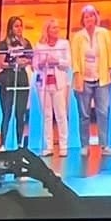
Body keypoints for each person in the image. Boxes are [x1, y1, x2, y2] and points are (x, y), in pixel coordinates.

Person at [72, 3, 111, 152]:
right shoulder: (78, 37)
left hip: (101, 78)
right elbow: (75, 59)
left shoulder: (103, 33)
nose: (89, 19)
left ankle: (104, 145)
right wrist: (77, 77)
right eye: (86, 17)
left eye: (91, 16)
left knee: (103, 112)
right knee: (84, 114)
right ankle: (84, 145)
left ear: (96, 18)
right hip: (84, 79)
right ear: (83, 20)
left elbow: (110, 53)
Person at [34, 17, 73, 156]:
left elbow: (68, 63)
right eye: (54, 28)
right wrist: (42, 62)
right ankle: (49, 146)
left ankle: (63, 146)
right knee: (47, 116)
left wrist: (56, 61)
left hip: (59, 83)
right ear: (47, 30)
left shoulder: (64, 44)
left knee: (61, 114)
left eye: (58, 27)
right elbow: (35, 65)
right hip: (44, 84)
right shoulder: (39, 46)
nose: (57, 30)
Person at [0, 16, 32, 149]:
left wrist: (24, 62)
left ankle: (20, 143)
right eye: (16, 26)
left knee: (20, 113)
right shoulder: (3, 44)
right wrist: (14, 63)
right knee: (7, 112)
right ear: (10, 28)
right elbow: (1, 63)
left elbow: (31, 58)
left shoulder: (26, 43)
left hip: (22, 78)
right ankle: (3, 143)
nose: (19, 29)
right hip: (8, 79)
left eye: (21, 26)